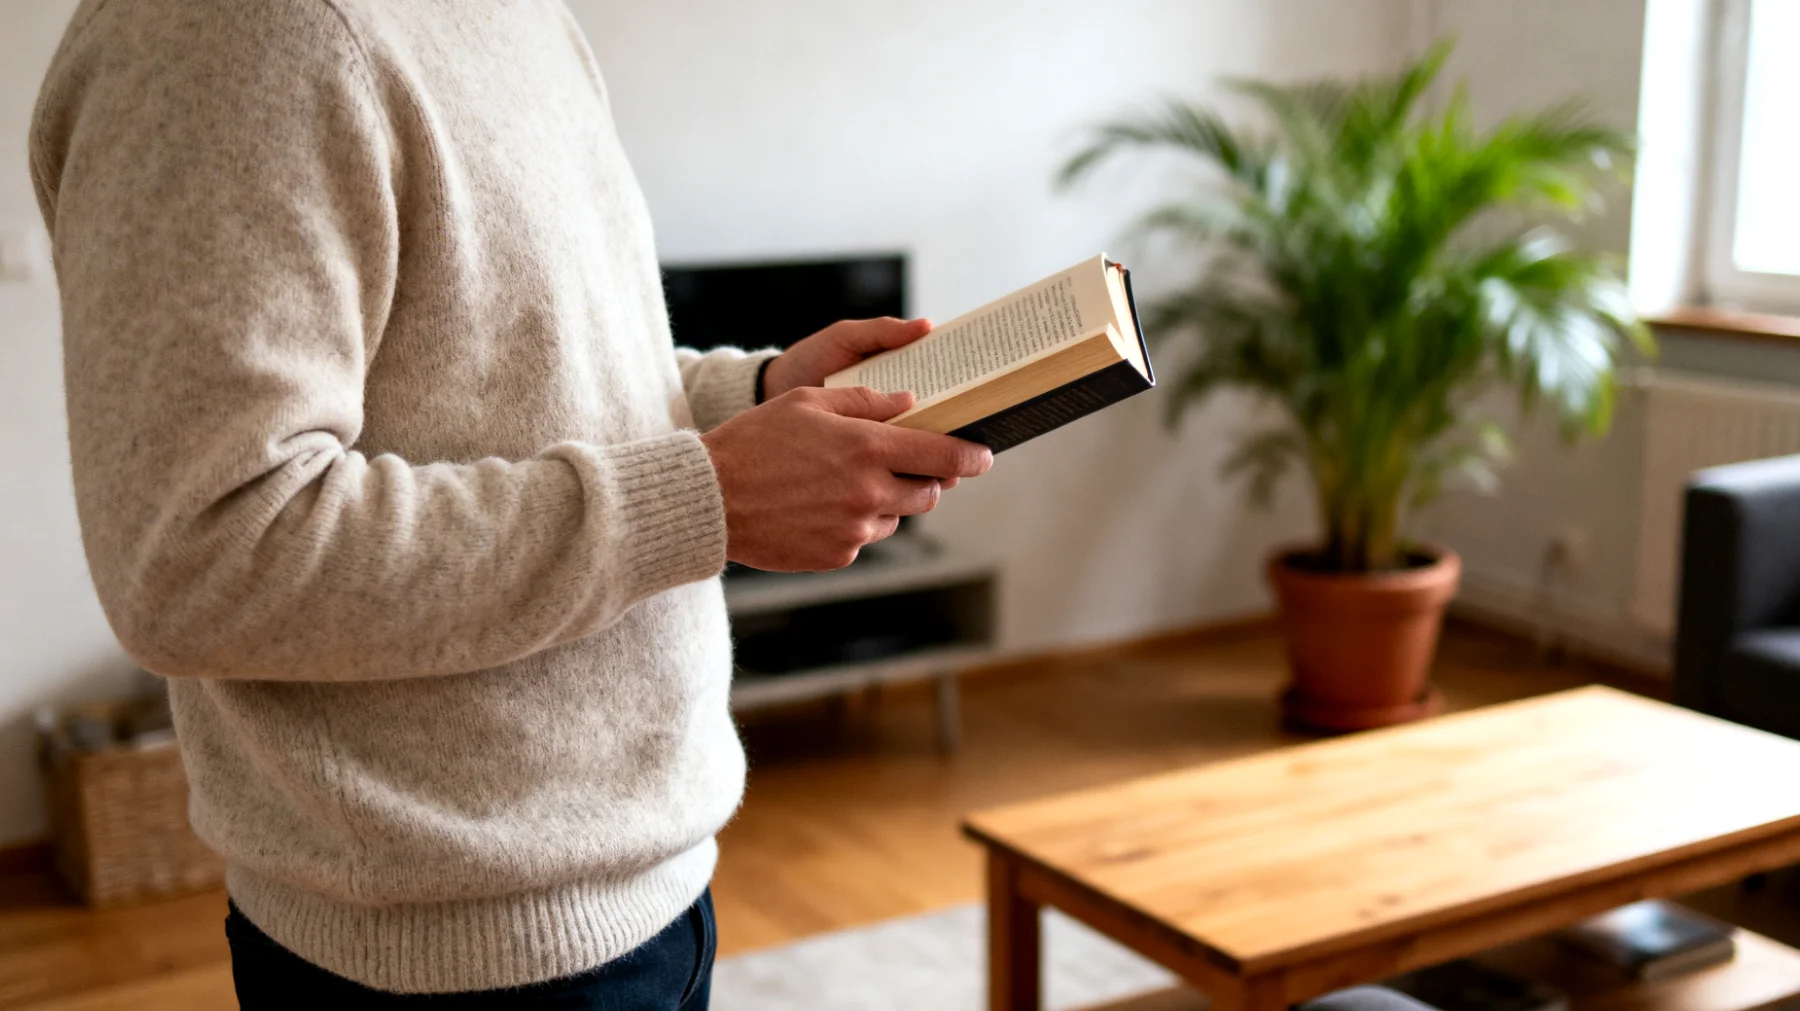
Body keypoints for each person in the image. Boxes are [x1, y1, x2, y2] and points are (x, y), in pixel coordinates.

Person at [28, 0, 992, 1007]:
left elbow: (534, 375)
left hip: (648, 888)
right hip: (452, 957)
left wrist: (754, 397)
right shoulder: (231, 32)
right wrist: (710, 494)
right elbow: (205, 556)